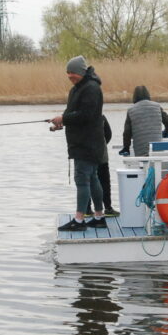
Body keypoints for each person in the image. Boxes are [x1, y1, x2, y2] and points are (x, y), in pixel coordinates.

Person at [51, 56, 108, 231]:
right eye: (68, 73)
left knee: (82, 180)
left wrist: (64, 118)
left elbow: (86, 115)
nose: (70, 76)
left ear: (81, 71)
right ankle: (99, 217)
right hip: (84, 142)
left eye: (72, 73)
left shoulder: (91, 89)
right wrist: (61, 122)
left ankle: (80, 220)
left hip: (87, 143)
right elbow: (72, 114)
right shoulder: (78, 89)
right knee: (92, 179)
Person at [120, 85, 168, 157]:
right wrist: (167, 132)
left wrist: (126, 148)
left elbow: (127, 133)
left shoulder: (131, 110)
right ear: (148, 94)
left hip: (140, 152)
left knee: (143, 163)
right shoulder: (157, 107)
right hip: (158, 150)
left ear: (135, 96)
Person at [86, 116, 119, 217]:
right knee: (104, 182)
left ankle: (87, 209)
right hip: (101, 156)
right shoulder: (101, 117)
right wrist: (102, 144)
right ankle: (108, 208)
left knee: (86, 182)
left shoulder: (79, 117)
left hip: (85, 156)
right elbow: (108, 134)